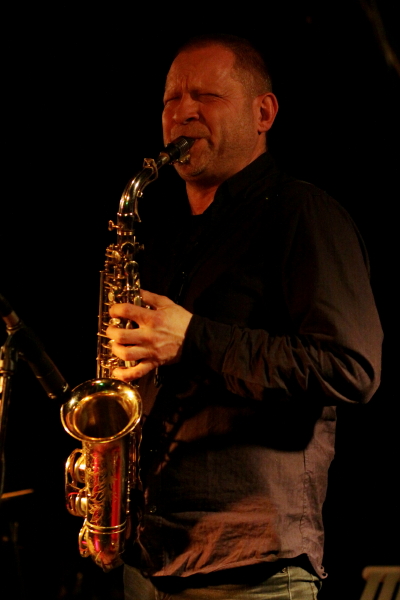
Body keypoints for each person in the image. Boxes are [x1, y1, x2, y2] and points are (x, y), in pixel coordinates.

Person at [106, 34, 383, 600]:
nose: (183, 111)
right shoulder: (164, 241)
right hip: (148, 560)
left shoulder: (303, 213)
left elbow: (351, 367)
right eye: (171, 99)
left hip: (250, 566)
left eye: (206, 96)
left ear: (264, 114)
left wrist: (193, 339)